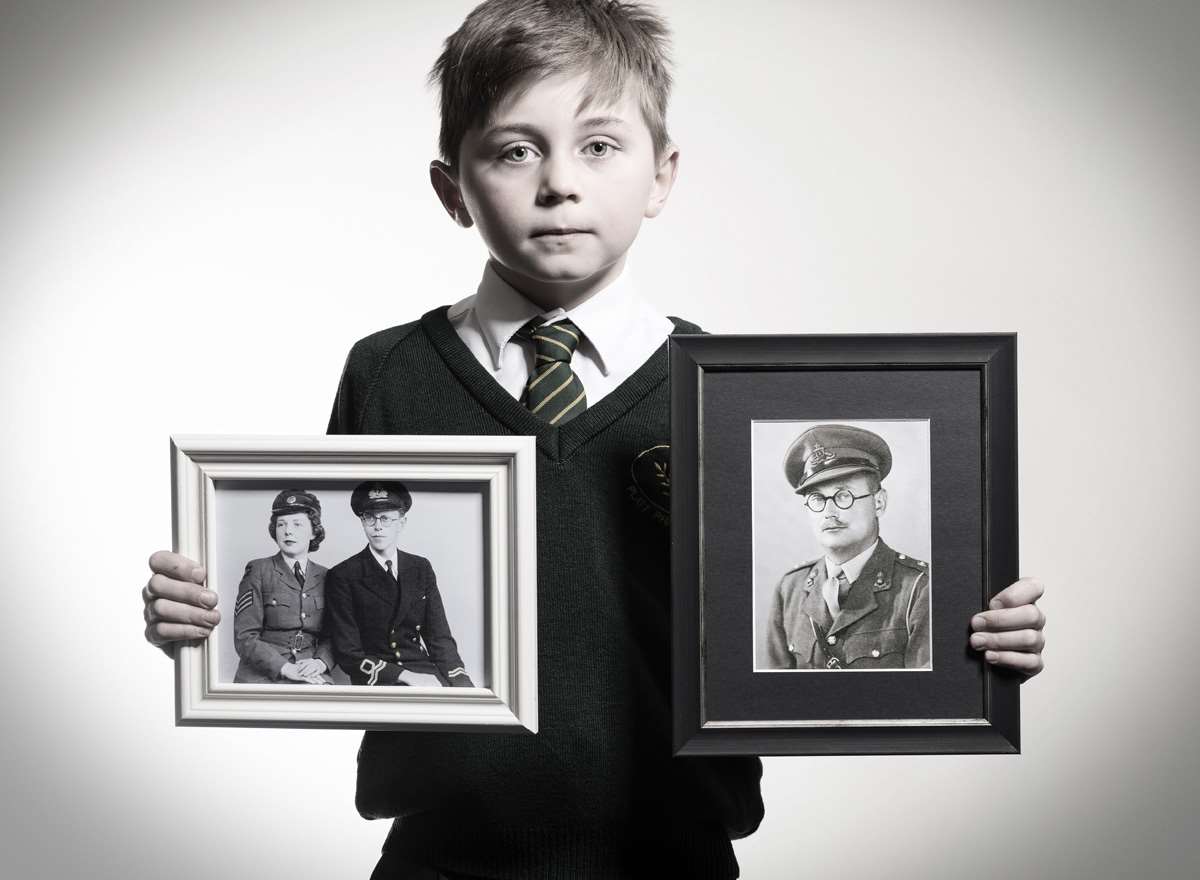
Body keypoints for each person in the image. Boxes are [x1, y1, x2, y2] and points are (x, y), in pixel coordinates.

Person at [141, 2, 1048, 877]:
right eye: (514, 149)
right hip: (442, 858)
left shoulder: (735, 397)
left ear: (661, 174)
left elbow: (807, 618)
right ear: (451, 188)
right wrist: (211, 620)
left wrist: (970, 642)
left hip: (678, 856)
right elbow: (330, 593)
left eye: (600, 145)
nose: (559, 181)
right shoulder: (386, 374)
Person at [766, 425, 931, 671]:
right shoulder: (790, 589)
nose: (829, 513)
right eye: (817, 499)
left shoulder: (921, 589)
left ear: (879, 503)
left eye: (844, 496)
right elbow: (772, 697)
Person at [326, 481, 474, 688]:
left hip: (424, 670)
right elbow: (348, 653)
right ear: (362, 522)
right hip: (378, 678)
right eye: (370, 518)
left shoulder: (420, 568)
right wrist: (405, 676)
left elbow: (439, 638)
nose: (377, 526)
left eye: (386, 518)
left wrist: (462, 683)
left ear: (401, 523)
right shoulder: (343, 575)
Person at [233, 489, 335, 685]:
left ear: (314, 531)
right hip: (262, 675)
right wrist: (285, 668)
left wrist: (321, 663)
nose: (288, 531)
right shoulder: (258, 570)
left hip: (311, 671)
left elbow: (334, 635)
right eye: (281, 524)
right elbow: (245, 636)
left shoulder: (328, 576)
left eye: (297, 524)